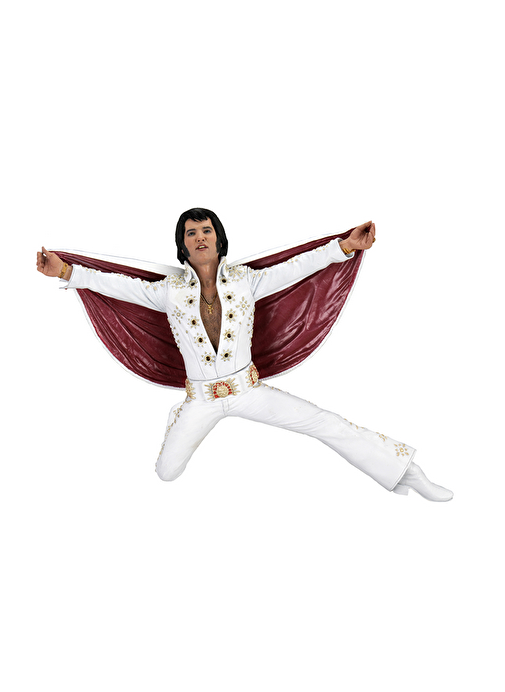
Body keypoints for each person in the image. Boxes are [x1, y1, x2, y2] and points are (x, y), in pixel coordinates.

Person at [36, 208, 453, 501]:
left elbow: (298, 267)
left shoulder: (246, 281)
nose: (200, 237)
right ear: (182, 245)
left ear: (218, 238)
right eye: (191, 233)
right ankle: (179, 416)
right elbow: (114, 284)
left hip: (248, 391)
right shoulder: (168, 291)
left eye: (206, 230)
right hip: (201, 399)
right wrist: (66, 272)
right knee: (166, 473)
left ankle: (407, 473)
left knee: (325, 423)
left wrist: (343, 247)